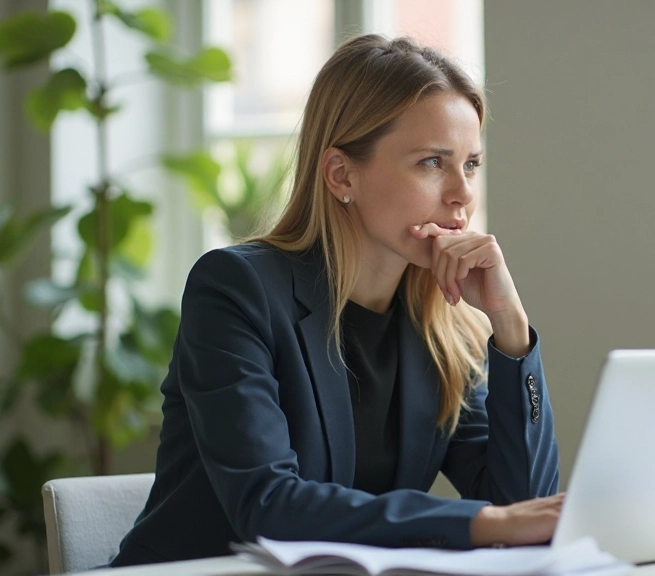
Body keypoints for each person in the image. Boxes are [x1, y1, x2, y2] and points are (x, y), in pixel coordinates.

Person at [110, 34, 561, 567]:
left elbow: (522, 507)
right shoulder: (235, 289)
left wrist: (510, 328)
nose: (462, 193)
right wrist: (481, 523)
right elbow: (268, 504)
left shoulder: (444, 326)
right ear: (342, 174)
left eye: (471, 164)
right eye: (432, 163)